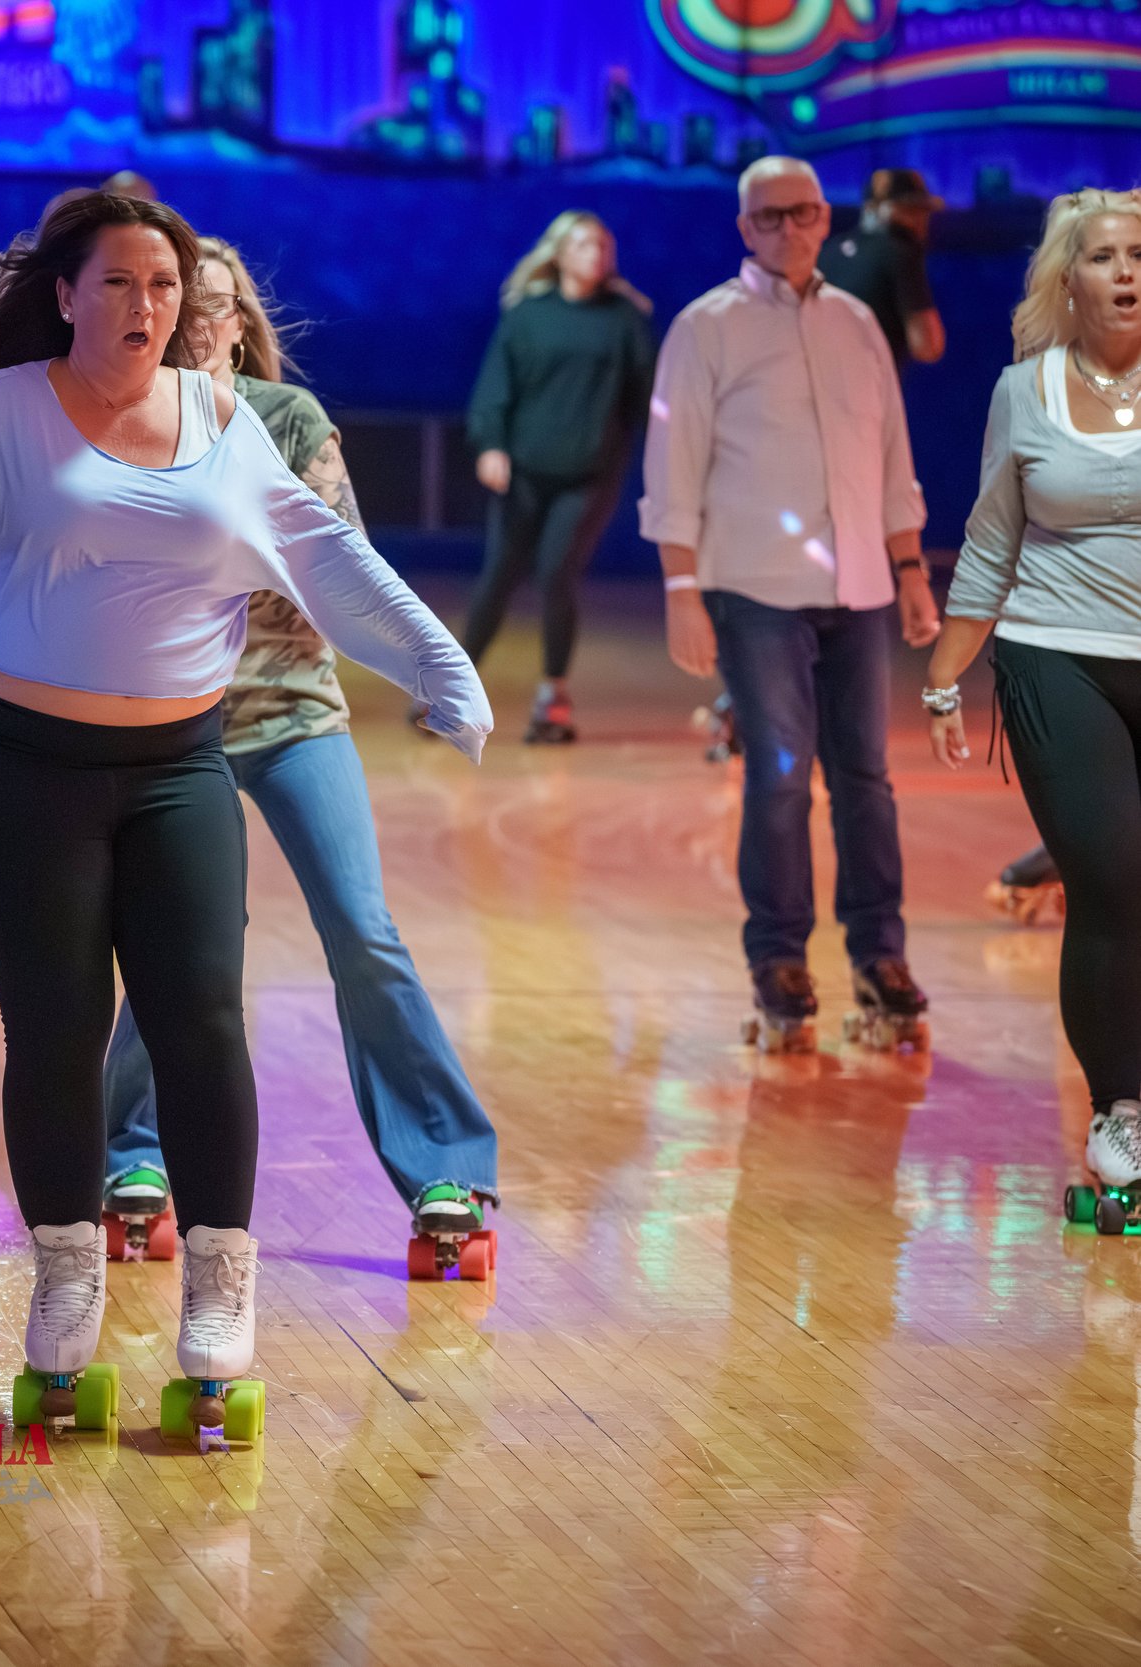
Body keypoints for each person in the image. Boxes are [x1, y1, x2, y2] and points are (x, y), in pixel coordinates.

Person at [0, 192, 488, 1433]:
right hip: (20, 766)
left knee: (199, 1015)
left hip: (182, 764)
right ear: (67, 293)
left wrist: (434, 662)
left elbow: (326, 555)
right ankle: (68, 1269)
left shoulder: (225, 421)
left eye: (165, 287)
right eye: (120, 283)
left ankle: (219, 1282)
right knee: (58, 1026)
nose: (146, 306)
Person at [100, 236, 500, 1260]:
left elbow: (335, 577)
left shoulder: (286, 421)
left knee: (362, 929)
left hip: (289, 716)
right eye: (179, 301)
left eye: (214, 306)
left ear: (241, 325)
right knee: (180, 941)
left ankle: (446, 1164)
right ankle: (130, 1152)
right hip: (167, 724)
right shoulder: (114, 418)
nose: (195, 322)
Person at [641, 156, 940, 1052]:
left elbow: (891, 455)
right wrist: (681, 590)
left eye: (801, 212)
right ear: (745, 229)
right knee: (777, 780)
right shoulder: (705, 328)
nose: (787, 228)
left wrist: (913, 569)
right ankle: (778, 957)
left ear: (823, 216)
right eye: (767, 217)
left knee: (867, 781)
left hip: (859, 586)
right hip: (753, 588)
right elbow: (674, 467)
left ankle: (878, 953)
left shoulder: (857, 323)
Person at [923, 189, 1141, 1195]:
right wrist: (943, 676)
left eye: (1138, 254)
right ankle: (1119, 1114)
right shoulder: (1027, 390)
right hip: (1054, 654)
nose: (1126, 272)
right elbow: (992, 536)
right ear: (1069, 279)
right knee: (1109, 877)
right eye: (1103, 256)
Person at [462, 210, 655, 743]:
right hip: (523, 470)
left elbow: (649, 400)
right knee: (499, 574)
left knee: (556, 573)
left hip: (588, 475)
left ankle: (553, 700)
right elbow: (495, 386)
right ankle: (452, 689)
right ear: (561, 253)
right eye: (584, 244)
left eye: (601, 244)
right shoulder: (527, 314)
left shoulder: (623, 321)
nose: (594, 252)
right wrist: (492, 445)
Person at [819, 167, 947, 373]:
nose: (918, 220)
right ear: (871, 209)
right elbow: (928, 347)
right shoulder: (901, 251)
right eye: (906, 210)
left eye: (922, 210)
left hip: (818, 387)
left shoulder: (827, 251)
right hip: (866, 391)